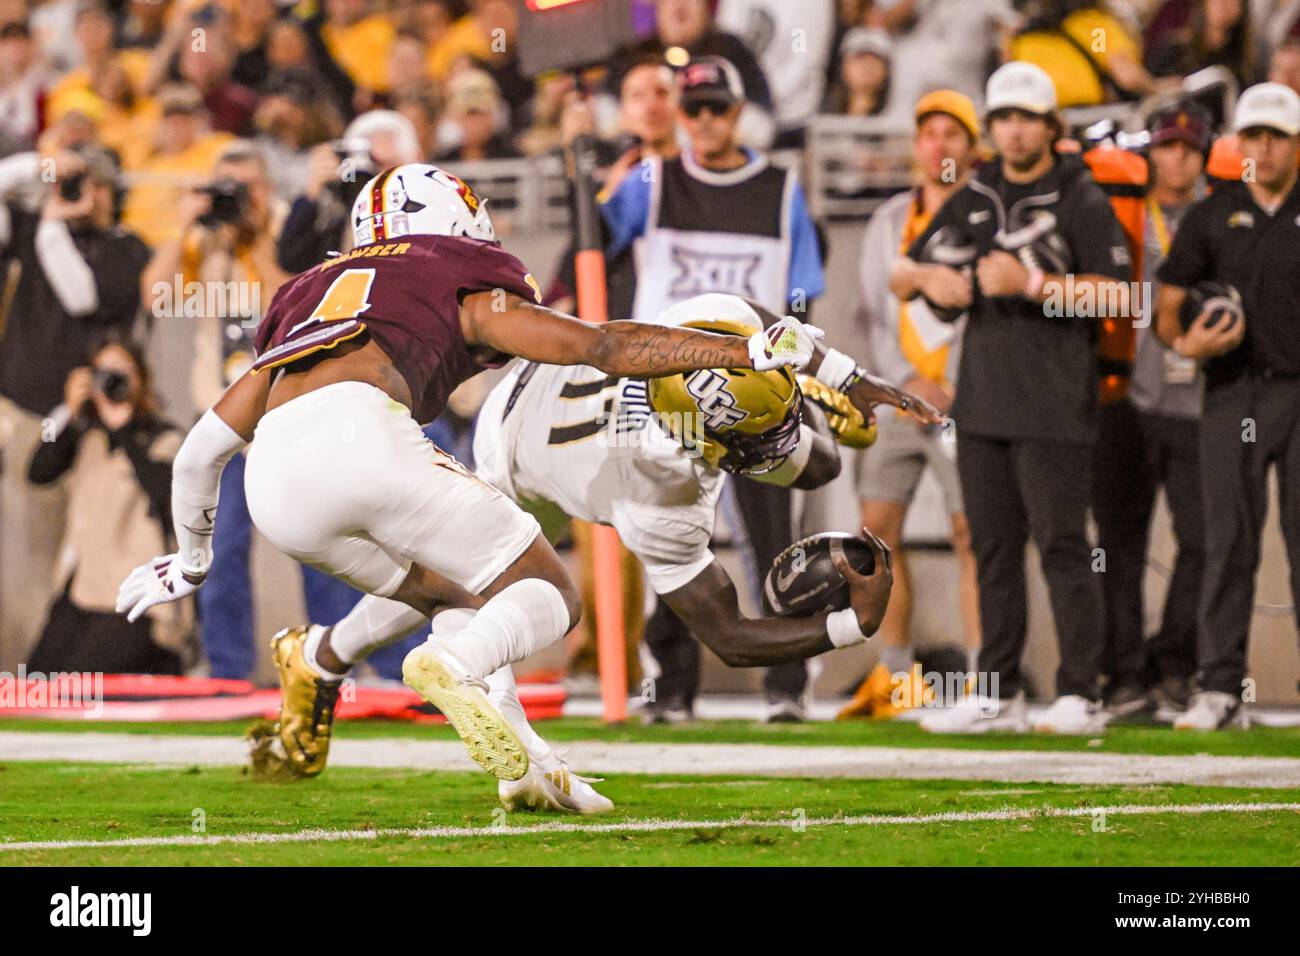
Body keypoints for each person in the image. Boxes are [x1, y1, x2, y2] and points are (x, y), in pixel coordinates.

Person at [116, 161, 826, 787]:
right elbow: (603, 345)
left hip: (273, 484)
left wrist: (191, 560)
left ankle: (523, 763)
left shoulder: (304, 293)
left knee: (461, 593)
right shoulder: (452, 276)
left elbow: (200, 451)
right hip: (365, 440)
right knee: (545, 591)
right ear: (456, 225)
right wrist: (738, 352)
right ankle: (451, 666)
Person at [242, 293, 935, 810]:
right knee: (496, 591)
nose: (781, 435)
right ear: (709, 445)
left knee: (440, 579)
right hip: (509, 458)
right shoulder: (663, 491)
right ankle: (514, 754)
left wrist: (837, 380)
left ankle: (322, 655)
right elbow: (732, 636)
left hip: (534, 387)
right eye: (764, 430)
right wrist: (852, 627)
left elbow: (754, 327)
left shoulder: (693, 335)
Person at [892, 62, 1132, 734]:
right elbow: (901, 269)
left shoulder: (1081, 195)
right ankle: (996, 689)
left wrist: (1031, 284)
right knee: (994, 546)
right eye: (1003, 118)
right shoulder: (976, 193)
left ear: (1052, 127)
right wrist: (929, 276)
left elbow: (1121, 295)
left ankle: (1082, 692)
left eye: (1027, 117)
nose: (1015, 129)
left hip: (1057, 401)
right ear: (992, 129)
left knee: (1062, 545)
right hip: (985, 401)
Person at [600, 55, 828, 722]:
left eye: (716, 108)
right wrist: (584, 148)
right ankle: (669, 690)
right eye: (692, 108)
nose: (704, 121)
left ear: (738, 112)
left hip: (756, 391)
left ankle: (788, 687)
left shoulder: (782, 188)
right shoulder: (652, 178)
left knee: (773, 537)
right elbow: (596, 234)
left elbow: (803, 290)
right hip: (666, 394)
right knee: (669, 535)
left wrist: (798, 369)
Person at [1154, 82, 1300, 729]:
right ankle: (1219, 687)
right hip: (1232, 389)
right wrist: (1185, 339)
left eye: (1276, 137)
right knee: (1228, 540)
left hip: (1298, 391)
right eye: (1252, 137)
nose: (1262, 149)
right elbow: (1166, 303)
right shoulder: (1213, 214)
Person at [838, 90, 982, 721]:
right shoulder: (889, 219)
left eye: (954, 134)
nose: (940, 145)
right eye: (930, 133)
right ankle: (896, 675)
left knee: (971, 534)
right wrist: (897, 384)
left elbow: (989, 315)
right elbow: (870, 313)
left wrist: (951, 382)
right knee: (875, 537)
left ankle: (983, 677)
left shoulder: (987, 217)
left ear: (972, 148)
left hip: (964, 401)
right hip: (899, 399)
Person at [0, 144, 150, 667]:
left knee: (77, 549)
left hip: (88, 424)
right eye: (79, 181)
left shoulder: (127, 248)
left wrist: (50, 225)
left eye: (98, 184)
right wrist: (40, 167)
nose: (87, 194)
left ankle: (55, 663)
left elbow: (82, 296)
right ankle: (18, 663)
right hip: (24, 413)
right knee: (23, 546)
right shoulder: (32, 224)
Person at [1092, 103, 1211, 719]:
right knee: (1118, 545)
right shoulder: (1119, 212)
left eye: (1190, 147)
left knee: (1206, 539)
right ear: (1150, 152)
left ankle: (1174, 663)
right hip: (1125, 400)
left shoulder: (1220, 216)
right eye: (1168, 145)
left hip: (1201, 402)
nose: (1178, 157)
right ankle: (1125, 674)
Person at [26, 338, 189, 675]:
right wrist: (65, 412)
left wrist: (125, 429)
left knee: (82, 683)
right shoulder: (85, 436)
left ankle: (165, 659)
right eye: (103, 373)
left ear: (141, 379)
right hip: (83, 589)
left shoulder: (164, 437)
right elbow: (37, 471)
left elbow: (170, 498)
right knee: (34, 683)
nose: (112, 382)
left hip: (136, 598)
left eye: (121, 373)